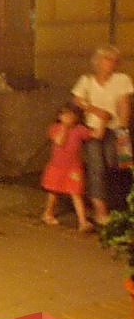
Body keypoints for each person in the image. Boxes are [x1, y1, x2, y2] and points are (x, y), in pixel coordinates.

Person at [72, 45, 134, 225]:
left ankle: (120, 206)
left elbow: (124, 106)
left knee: (116, 165)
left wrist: (122, 133)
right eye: (107, 59)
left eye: (114, 60)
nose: (111, 63)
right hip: (93, 130)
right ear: (97, 62)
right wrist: (96, 111)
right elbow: (77, 100)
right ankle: (100, 211)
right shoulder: (86, 81)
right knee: (96, 168)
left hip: (115, 129)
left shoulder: (121, 80)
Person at [40, 102, 100, 232]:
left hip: (74, 168)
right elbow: (59, 141)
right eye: (65, 114)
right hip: (56, 167)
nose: (69, 117)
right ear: (59, 116)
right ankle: (48, 213)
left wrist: (103, 119)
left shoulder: (80, 129)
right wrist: (65, 127)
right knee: (54, 192)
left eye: (72, 115)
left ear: (77, 117)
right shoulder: (55, 128)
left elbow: (96, 135)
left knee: (76, 193)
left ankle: (83, 222)